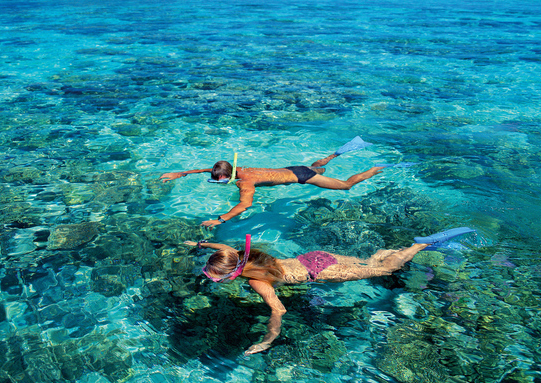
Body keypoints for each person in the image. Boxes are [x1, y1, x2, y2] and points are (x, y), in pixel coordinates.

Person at [185, 227, 475, 355]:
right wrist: (199, 245)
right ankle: (388, 251)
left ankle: (420, 245)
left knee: (385, 271)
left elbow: (279, 310)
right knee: (368, 264)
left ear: (232, 274)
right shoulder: (237, 254)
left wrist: (268, 339)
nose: (214, 281)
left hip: (320, 272)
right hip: (315, 258)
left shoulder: (256, 282)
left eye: (215, 278)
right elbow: (219, 248)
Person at [160, 137, 385, 228]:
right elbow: (207, 169)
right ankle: (335, 154)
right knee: (318, 167)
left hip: (302, 177)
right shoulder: (235, 169)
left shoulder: (245, 182)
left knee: (345, 186)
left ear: (229, 177)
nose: (217, 181)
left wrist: (221, 220)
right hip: (294, 169)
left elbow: (245, 205)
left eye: (220, 181)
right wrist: (182, 173)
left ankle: (376, 169)